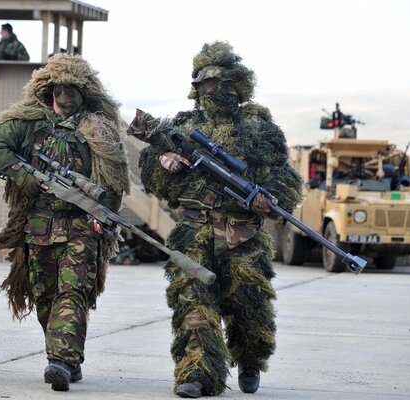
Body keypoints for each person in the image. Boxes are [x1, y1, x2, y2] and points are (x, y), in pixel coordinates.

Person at [127, 41, 302, 398]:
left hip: (242, 234)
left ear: (234, 84)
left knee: (249, 306)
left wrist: (272, 197)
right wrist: (164, 164)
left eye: (215, 83)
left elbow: (285, 177)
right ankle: (197, 373)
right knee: (192, 302)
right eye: (202, 84)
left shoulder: (258, 129)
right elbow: (149, 173)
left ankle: (250, 359)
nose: (208, 91)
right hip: (192, 231)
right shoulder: (183, 126)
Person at [0, 53, 129, 391]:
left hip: (80, 225)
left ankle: (60, 361)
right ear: (48, 92)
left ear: (84, 94)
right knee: (44, 295)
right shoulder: (30, 122)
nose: (64, 101)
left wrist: (103, 218)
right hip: (38, 225)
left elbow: (113, 180)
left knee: (72, 292)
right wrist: (24, 176)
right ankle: (68, 354)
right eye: (59, 94)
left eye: (72, 94)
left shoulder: (98, 129)